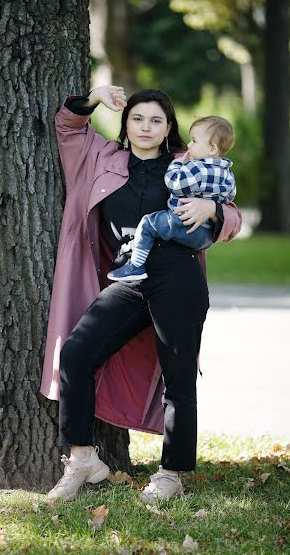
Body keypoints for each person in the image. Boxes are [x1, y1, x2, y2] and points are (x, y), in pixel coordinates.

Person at [40, 86, 242, 503]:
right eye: (137, 118)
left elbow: (233, 212)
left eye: (156, 120)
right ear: (125, 124)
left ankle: (171, 473)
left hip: (177, 275)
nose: (145, 127)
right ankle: (82, 458)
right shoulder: (100, 158)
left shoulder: (190, 163)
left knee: (178, 376)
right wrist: (94, 97)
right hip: (128, 278)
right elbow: (68, 126)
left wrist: (214, 211)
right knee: (76, 353)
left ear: (169, 128)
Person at [107, 116, 236, 282]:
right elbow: (229, 196)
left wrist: (177, 164)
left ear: (212, 149)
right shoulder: (227, 173)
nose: (189, 146)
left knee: (148, 223)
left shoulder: (196, 168)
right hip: (206, 235)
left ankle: (135, 266)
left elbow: (175, 183)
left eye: (194, 141)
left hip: (184, 224)